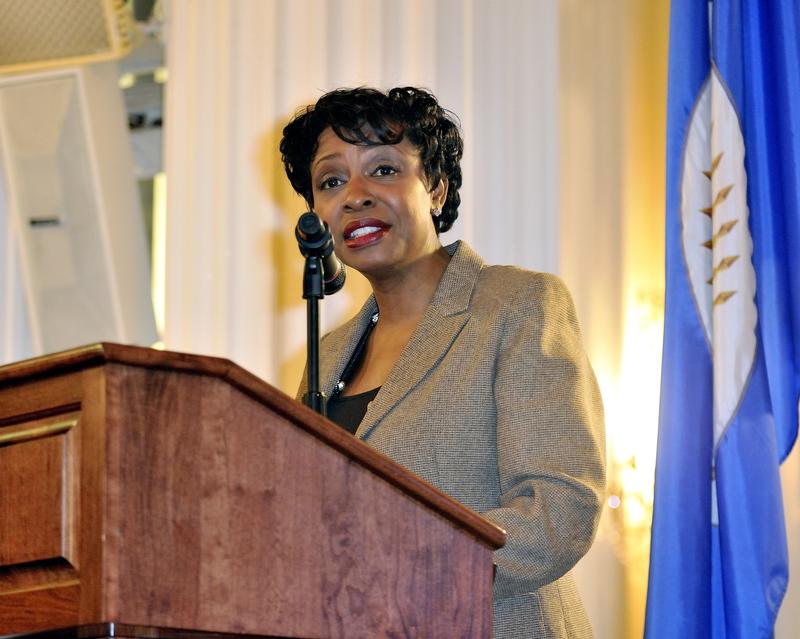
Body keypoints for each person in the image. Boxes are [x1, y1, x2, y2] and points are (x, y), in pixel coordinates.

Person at [280, 86, 605, 638]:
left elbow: (559, 509)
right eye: (331, 181)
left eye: (382, 170)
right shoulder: (327, 355)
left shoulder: (516, 304)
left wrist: (398, 565)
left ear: (436, 188)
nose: (354, 195)